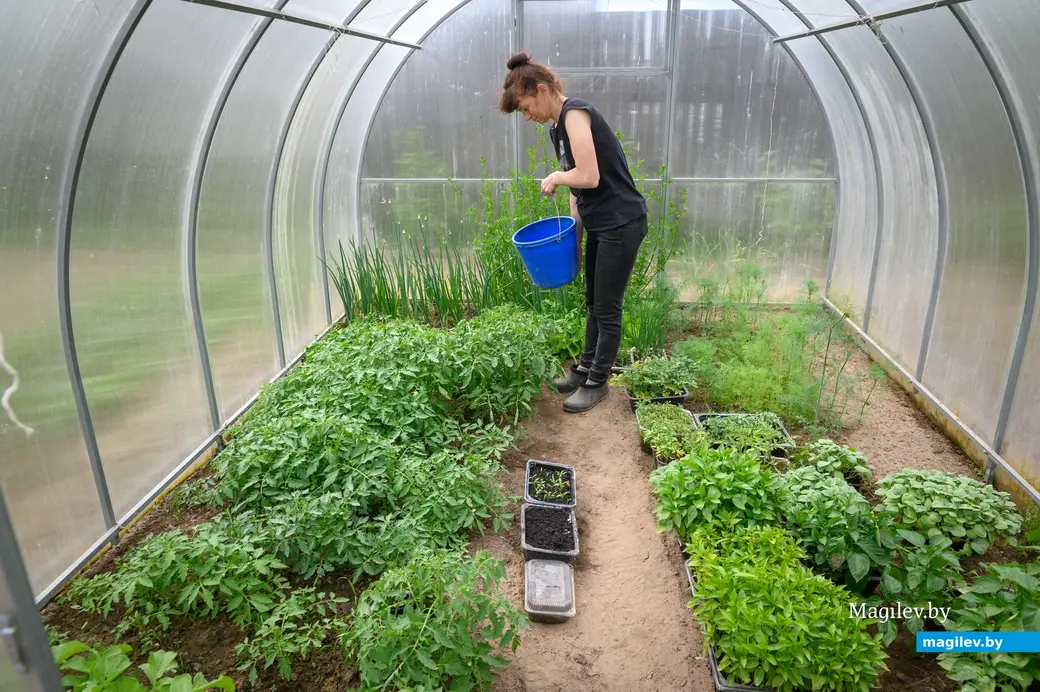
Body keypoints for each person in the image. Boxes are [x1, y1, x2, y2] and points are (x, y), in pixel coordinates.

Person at [497, 51, 649, 413]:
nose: (527, 116)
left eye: (525, 107)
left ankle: (598, 383)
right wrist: (574, 243)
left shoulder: (576, 113)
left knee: (607, 307)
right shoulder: (556, 128)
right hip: (600, 222)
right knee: (593, 302)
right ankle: (584, 370)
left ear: (542, 89)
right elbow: (578, 192)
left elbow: (589, 175)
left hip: (622, 222)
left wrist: (555, 176)